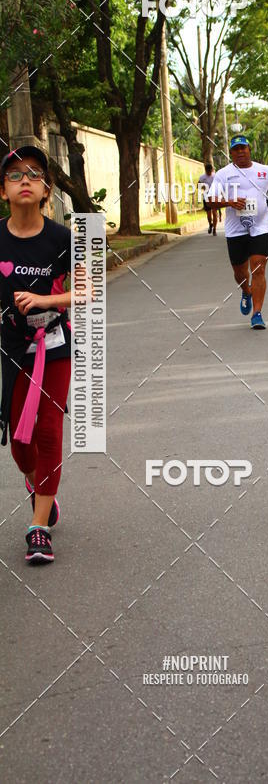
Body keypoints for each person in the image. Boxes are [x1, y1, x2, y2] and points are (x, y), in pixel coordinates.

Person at [0, 146, 76, 563]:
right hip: (10, 350)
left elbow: (85, 291)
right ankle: (37, 484)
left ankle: (39, 526)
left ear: (46, 189)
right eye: (15, 175)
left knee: (47, 432)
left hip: (53, 347)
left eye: (34, 174)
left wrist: (48, 301)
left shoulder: (62, 239)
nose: (24, 179)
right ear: (4, 190)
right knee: (18, 441)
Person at [207, 135, 268, 329]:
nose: (240, 152)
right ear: (231, 153)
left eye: (243, 148)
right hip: (235, 230)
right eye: (236, 149)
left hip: (260, 227)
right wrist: (229, 202)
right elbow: (210, 200)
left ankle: (257, 313)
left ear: (249, 149)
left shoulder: (264, 171)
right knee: (240, 271)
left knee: (258, 267)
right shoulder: (224, 174)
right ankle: (246, 290)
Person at [198, 163, 219, 235]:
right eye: (207, 171)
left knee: (215, 213)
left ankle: (215, 229)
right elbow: (198, 185)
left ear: (212, 170)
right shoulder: (202, 177)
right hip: (206, 197)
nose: (209, 172)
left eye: (210, 171)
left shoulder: (215, 176)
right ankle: (210, 224)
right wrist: (203, 187)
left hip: (214, 196)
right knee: (209, 213)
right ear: (205, 170)